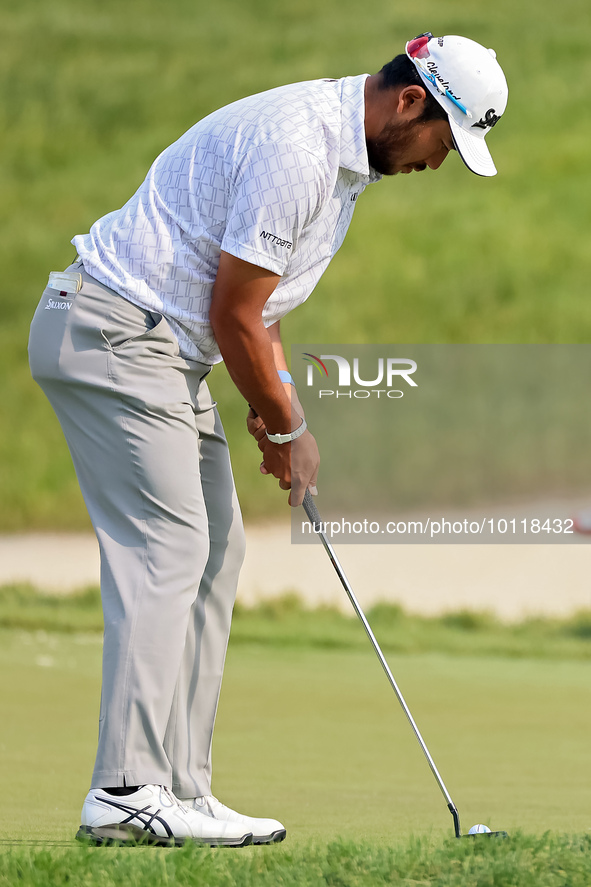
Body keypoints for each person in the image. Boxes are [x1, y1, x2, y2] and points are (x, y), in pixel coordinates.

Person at [28, 33, 508, 847]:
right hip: (113, 330)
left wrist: (275, 399)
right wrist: (288, 426)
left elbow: (262, 307)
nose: (438, 163)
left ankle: (179, 787)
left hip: (162, 349)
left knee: (216, 550)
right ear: (409, 102)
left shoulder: (349, 163)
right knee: (167, 548)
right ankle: (123, 790)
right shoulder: (301, 148)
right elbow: (234, 315)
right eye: (444, 143)